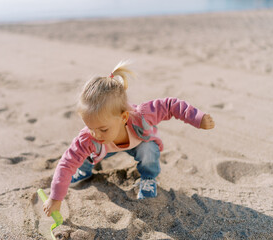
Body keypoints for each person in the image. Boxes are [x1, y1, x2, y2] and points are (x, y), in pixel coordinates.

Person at [43, 61, 215, 217]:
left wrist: (197, 118)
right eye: (90, 127)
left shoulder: (142, 116)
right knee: (84, 153)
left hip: (137, 142)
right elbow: (66, 164)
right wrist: (55, 198)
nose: (96, 133)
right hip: (103, 149)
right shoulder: (90, 136)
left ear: (124, 117)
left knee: (149, 150)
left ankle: (148, 178)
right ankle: (85, 171)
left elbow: (170, 105)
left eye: (102, 128)